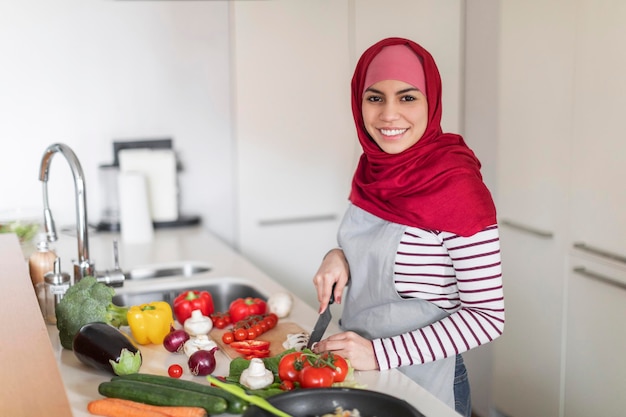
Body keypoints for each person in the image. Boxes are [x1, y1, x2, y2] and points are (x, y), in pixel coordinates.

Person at [311, 37, 505, 417]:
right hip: (361, 375)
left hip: (425, 383)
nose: (388, 115)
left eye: (407, 97)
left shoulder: (457, 185)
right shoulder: (373, 168)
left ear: (431, 101)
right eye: (375, 98)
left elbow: (488, 316)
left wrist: (380, 353)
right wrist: (339, 257)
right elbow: (384, 251)